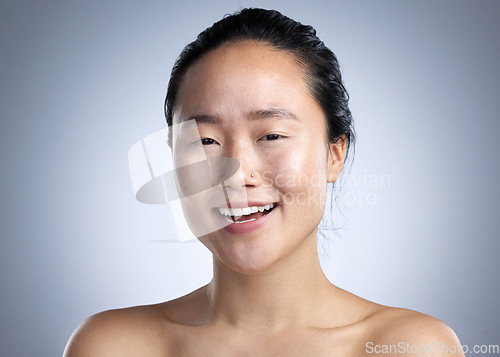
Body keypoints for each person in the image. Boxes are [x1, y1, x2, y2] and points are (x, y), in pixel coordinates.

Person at [64, 8, 464, 356]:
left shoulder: (410, 346)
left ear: (334, 154)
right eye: (204, 141)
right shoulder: (111, 346)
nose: (236, 174)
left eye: (271, 135)